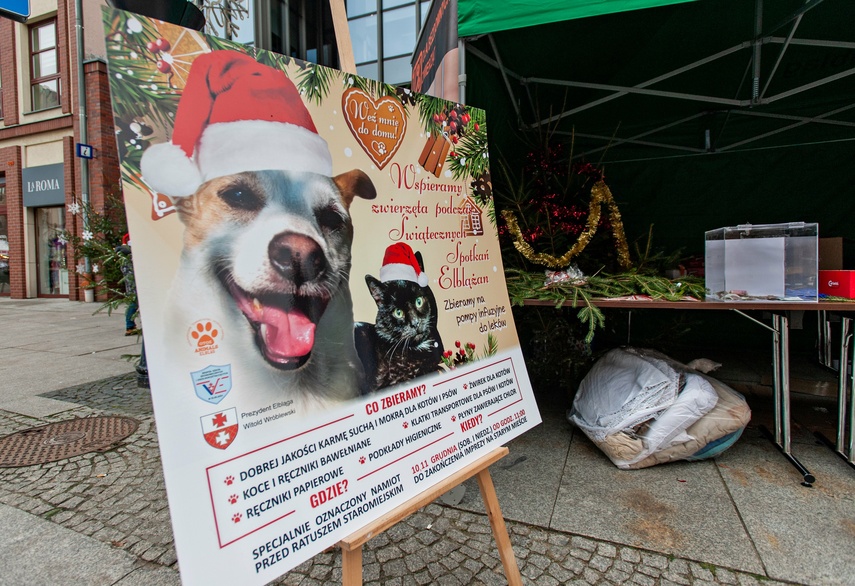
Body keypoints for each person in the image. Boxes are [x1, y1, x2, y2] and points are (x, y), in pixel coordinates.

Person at [116, 233, 140, 336]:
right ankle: (130, 326)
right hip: (134, 284)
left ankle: (130, 325)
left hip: (131, 284)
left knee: (133, 303)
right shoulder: (129, 257)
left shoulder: (124, 257)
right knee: (134, 303)